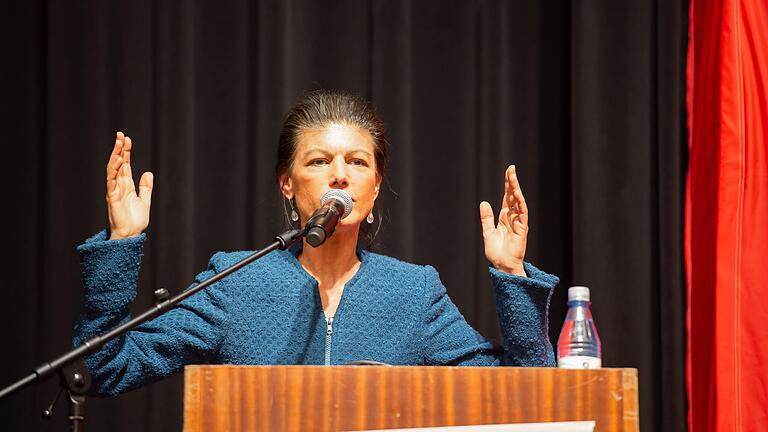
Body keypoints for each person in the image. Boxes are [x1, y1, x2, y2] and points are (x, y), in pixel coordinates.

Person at [73, 90, 559, 396]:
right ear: (287, 184)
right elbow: (104, 366)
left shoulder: (414, 294)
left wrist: (511, 273)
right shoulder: (238, 281)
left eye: (358, 163)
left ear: (374, 187)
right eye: (320, 161)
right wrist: (122, 240)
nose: (340, 176)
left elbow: (530, 391)